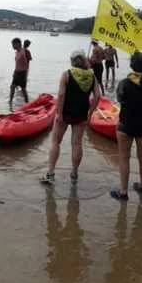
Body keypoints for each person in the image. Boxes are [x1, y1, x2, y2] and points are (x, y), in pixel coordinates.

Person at [43, 50, 102, 184]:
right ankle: (74, 173)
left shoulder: (67, 74)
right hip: (81, 114)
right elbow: (98, 96)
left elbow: (61, 95)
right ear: (85, 60)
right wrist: (90, 113)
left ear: (72, 61)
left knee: (55, 142)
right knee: (76, 144)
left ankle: (51, 173)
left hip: (65, 113)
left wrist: (59, 113)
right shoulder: (92, 76)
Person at [111, 52, 142, 200]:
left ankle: (123, 192)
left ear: (131, 65)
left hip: (126, 124)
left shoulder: (124, 83)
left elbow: (119, 99)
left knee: (124, 158)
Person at [9, 38, 29, 105]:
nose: (12, 46)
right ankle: (10, 102)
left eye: (13, 44)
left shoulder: (23, 52)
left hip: (22, 73)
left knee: (23, 89)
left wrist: (26, 74)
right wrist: (14, 72)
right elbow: (17, 63)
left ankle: (27, 102)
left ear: (17, 44)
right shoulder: (17, 52)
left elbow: (27, 64)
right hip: (16, 72)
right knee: (12, 87)